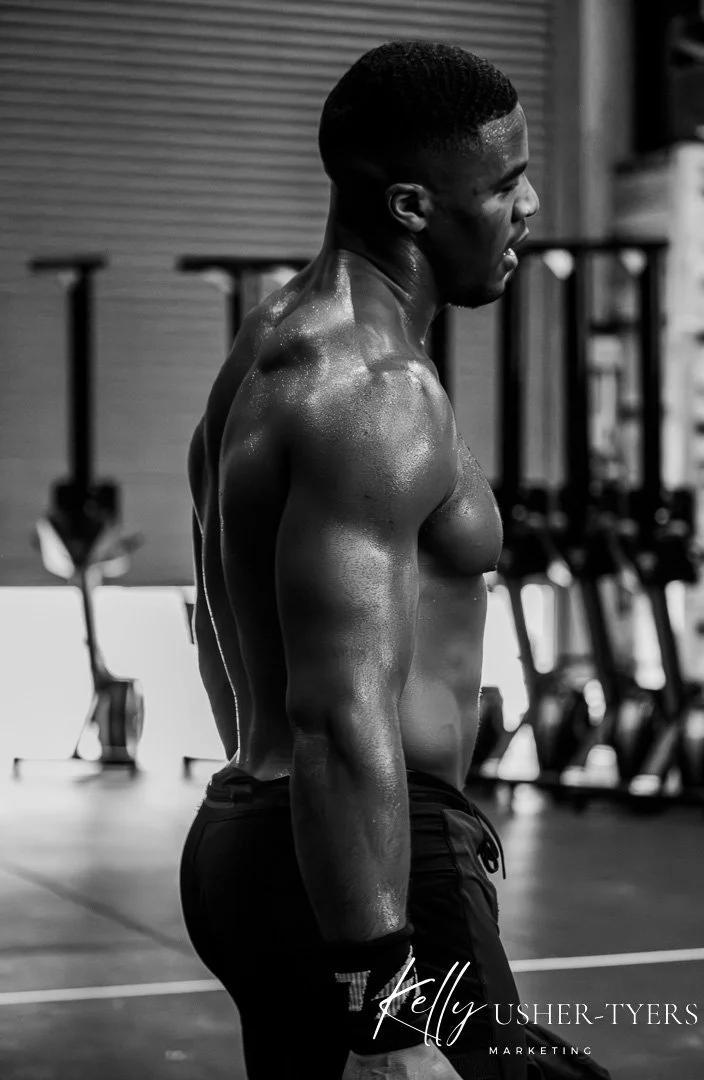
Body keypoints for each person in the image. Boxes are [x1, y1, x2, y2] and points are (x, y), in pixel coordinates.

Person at [180, 40, 539, 1080]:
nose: (527, 208)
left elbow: (219, 627)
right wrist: (383, 1017)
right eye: (504, 185)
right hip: (376, 876)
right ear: (414, 206)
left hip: (256, 838)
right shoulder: (378, 392)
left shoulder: (268, 346)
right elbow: (338, 717)